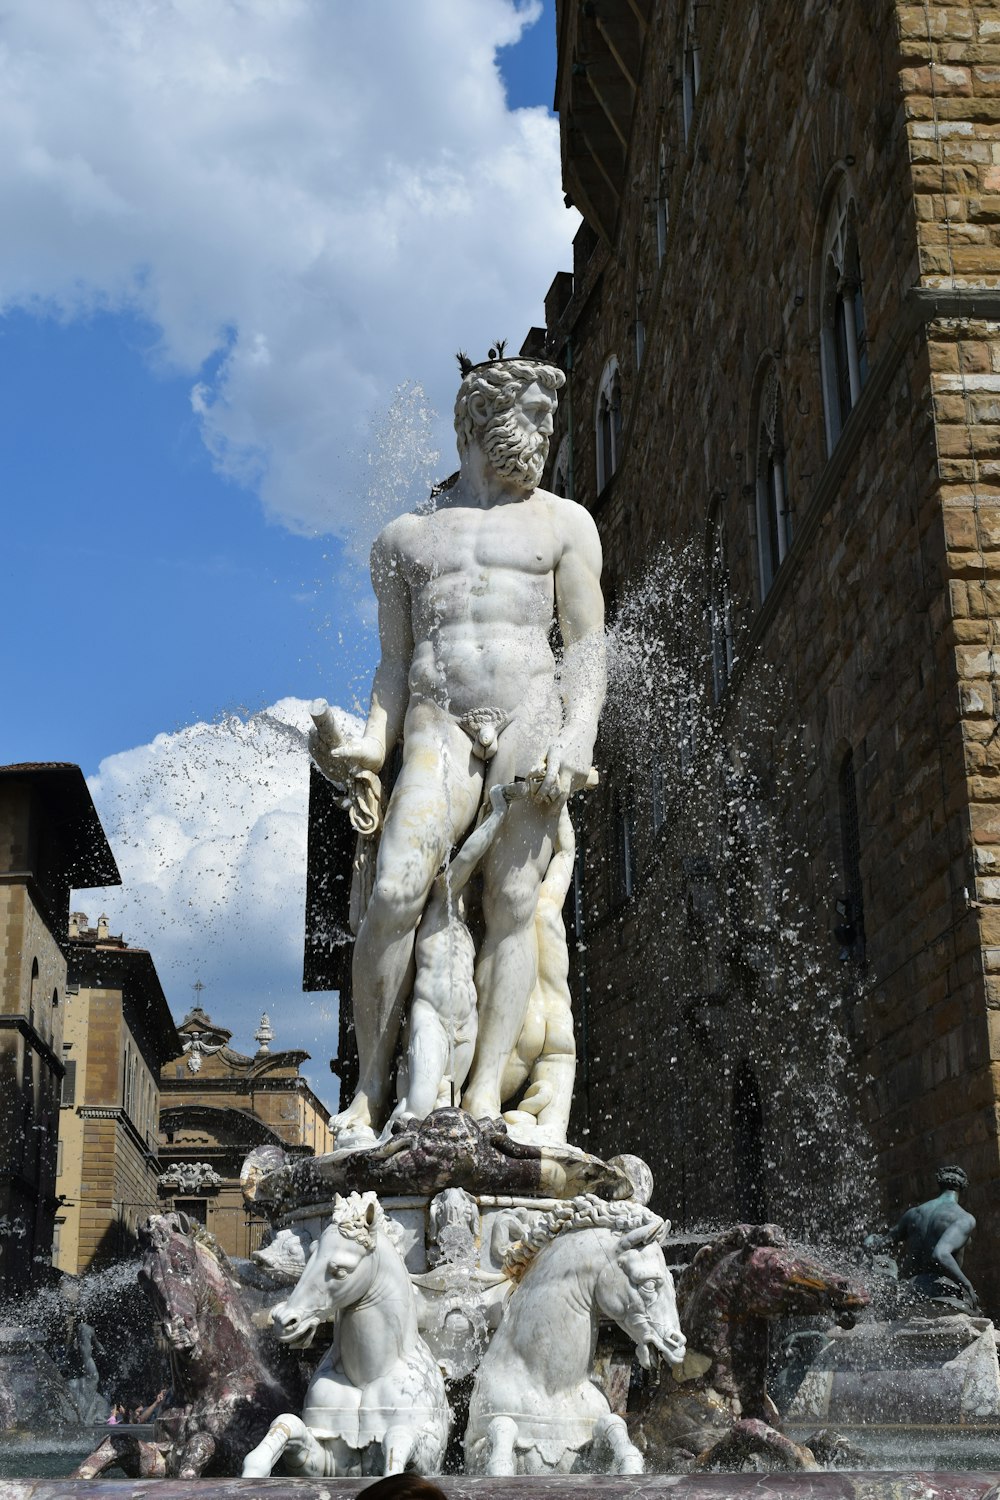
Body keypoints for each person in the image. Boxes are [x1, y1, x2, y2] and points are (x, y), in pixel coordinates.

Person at [312, 353, 606, 1144]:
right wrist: (368, 745)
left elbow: (585, 651)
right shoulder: (404, 538)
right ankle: (371, 1089)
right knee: (396, 893)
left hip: (530, 714)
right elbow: (393, 667)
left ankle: (482, 1096)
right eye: (536, 417)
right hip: (439, 722)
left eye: (551, 419)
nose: (548, 435)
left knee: (512, 903)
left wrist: (576, 738)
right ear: (483, 421)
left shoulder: (565, 523)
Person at [864, 1164, 979, 1309]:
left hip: (911, 1290)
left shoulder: (914, 1213)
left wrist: (869, 1241)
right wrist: (967, 1285)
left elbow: (879, 1246)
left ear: (940, 1184)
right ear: (963, 1188)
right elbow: (941, 1254)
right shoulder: (963, 1218)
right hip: (942, 1292)